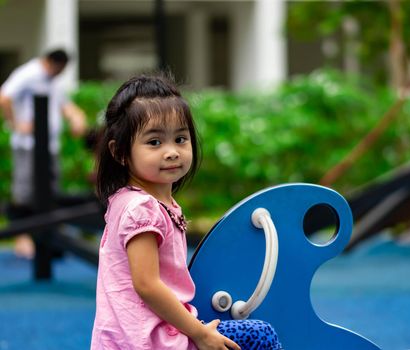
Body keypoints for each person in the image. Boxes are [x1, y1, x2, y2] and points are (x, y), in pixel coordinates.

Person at [90, 73, 282, 350]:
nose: (171, 152)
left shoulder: (129, 200)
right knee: (260, 335)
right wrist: (199, 333)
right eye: (154, 142)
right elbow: (147, 284)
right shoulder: (142, 208)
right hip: (149, 340)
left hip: (134, 336)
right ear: (120, 153)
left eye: (180, 139)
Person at [0, 48, 87, 258]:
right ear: (51, 62)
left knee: (50, 191)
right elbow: (4, 96)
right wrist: (15, 124)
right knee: (24, 192)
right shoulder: (28, 74)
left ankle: (48, 237)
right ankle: (22, 238)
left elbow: (64, 104)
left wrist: (76, 116)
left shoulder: (52, 80)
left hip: (50, 146)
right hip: (28, 146)